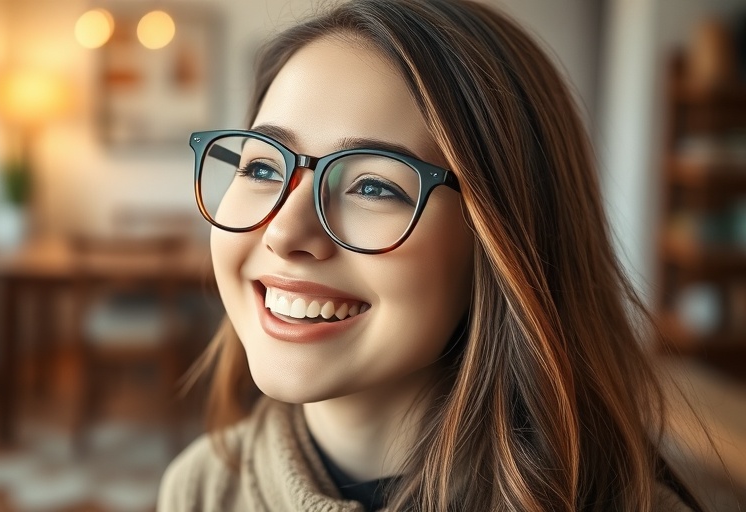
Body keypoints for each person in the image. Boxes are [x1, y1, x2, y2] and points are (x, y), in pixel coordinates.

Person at [158, 0, 703, 510]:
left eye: (373, 186)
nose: (284, 231)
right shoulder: (199, 489)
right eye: (261, 168)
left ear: (502, 239)